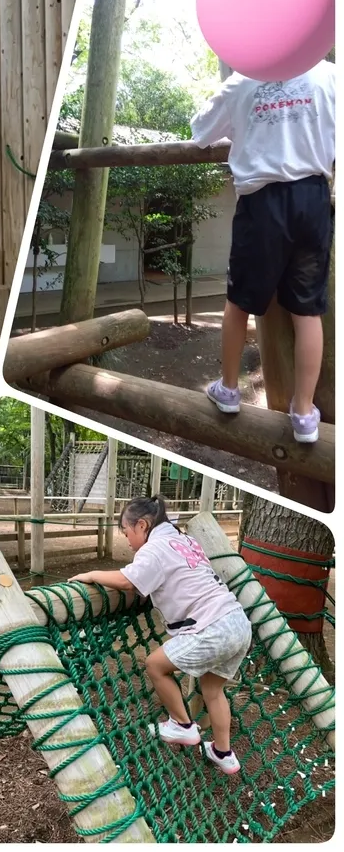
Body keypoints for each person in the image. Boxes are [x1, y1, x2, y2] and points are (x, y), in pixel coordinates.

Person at [190, 60, 335, 444]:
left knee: (239, 302)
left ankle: (229, 389)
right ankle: (304, 414)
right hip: (313, 199)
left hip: (261, 204)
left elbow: (200, 130)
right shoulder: (328, 74)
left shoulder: (241, 81)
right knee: (308, 310)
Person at [70, 495, 252, 776]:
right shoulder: (184, 541)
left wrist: (92, 573)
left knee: (156, 664)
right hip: (238, 623)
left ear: (142, 525)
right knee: (213, 690)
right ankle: (223, 752)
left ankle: (181, 724)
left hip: (212, 627)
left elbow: (128, 581)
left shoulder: (154, 548)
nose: (127, 539)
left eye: (126, 532)